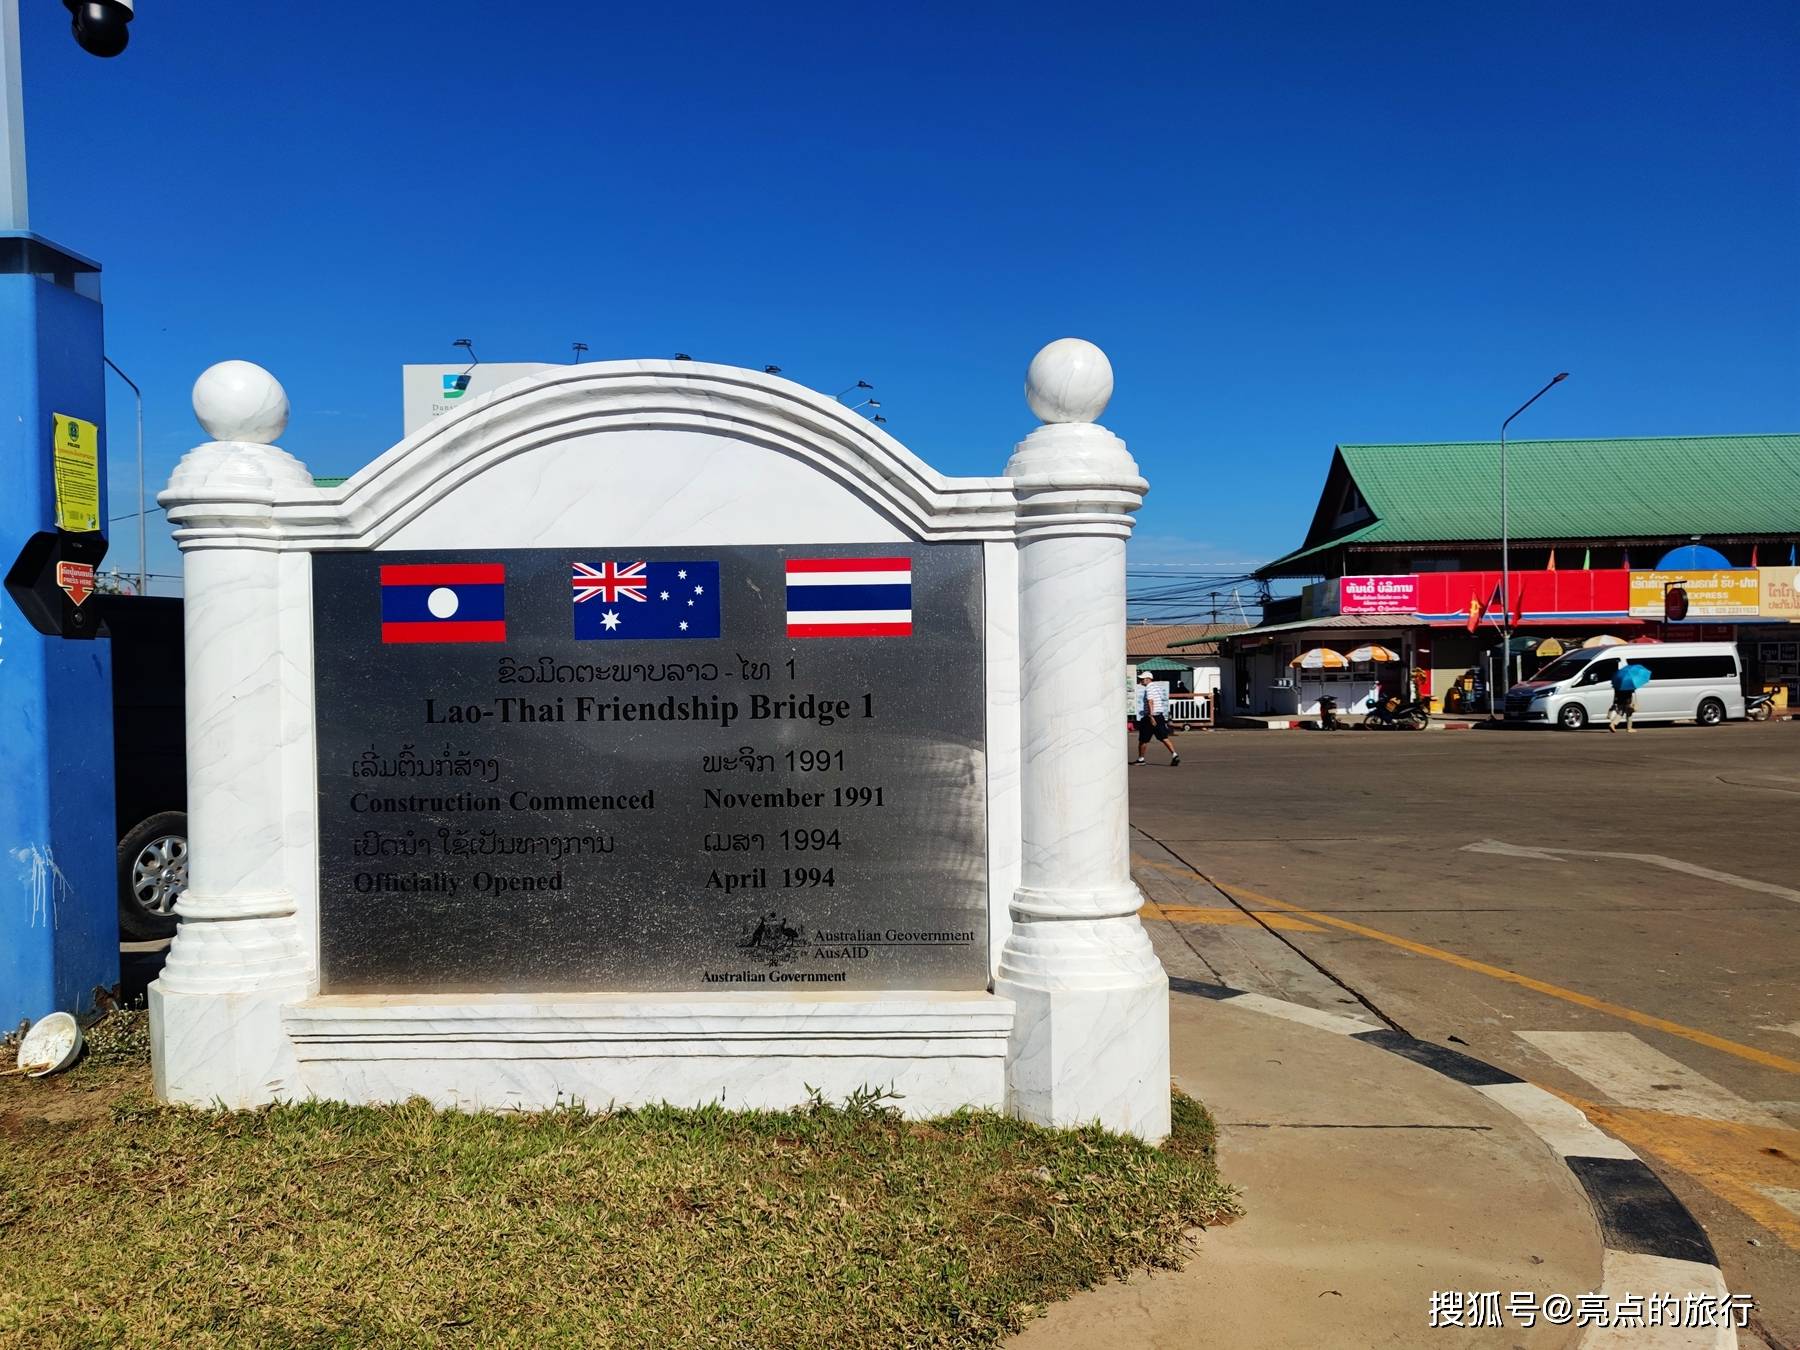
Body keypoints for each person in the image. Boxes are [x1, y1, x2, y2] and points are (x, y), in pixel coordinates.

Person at [1133, 671, 1180, 765]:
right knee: (1164, 737)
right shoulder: (1156, 687)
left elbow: (1150, 701)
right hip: (1159, 715)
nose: (1140, 680)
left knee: (1143, 739)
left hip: (1150, 717)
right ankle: (1174, 754)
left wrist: (1151, 716)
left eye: (1142, 679)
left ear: (1148, 679)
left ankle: (1141, 759)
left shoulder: (1149, 688)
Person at [1608, 664, 1638, 733]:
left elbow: (1616, 692)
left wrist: (1615, 701)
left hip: (1620, 699)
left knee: (1621, 712)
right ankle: (1628, 728)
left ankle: (1614, 724)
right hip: (1627, 699)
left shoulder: (1617, 680)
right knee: (1629, 712)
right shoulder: (1629, 681)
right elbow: (1631, 691)